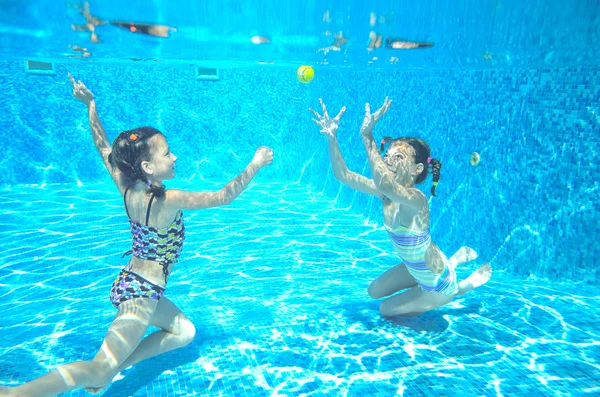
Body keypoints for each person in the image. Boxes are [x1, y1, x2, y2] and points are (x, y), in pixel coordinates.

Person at [0, 74, 273, 397]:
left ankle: (114, 367)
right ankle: (15, 393)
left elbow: (103, 146)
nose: (174, 157)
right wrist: (255, 164)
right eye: (167, 153)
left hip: (134, 282)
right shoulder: (167, 200)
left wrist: (91, 105)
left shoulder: (126, 185)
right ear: (147, 165)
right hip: (141, 292)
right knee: (99, 366)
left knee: (184, 331)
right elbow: (223, 196)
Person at [309, 98, 491, 317]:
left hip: (436, 283)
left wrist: (367, 137)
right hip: (417, 267)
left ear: (417, 169)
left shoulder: (417, 199)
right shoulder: (385, 193)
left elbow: (385, 181)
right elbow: (343, 175)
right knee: (374, 291)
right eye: (387, 156)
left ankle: (460, 287)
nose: (388, 162)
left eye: (399, 157)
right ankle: (452, 261)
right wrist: (332, 137)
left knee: (386, 310)